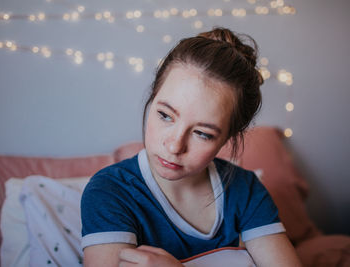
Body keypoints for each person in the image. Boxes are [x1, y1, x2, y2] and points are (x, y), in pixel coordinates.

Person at [80, 27, 302, 266]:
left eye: (202, 133)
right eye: (165, 115)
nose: (175, 145)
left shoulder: (245, 189)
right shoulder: (110, 192)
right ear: (152, 97)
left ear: (228, 137)